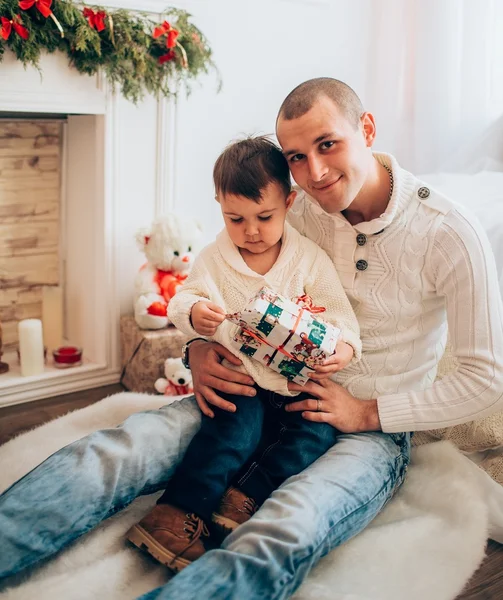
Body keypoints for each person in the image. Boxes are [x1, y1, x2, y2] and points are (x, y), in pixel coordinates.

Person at [1, 78, 502, 600]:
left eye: (327, 144)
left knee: (285, 528)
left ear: (367, 129)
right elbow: (217, 283)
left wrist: (368, 413)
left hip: (362, 431)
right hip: (255, 389)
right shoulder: (291, 206)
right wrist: (198, 350)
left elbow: (486, 378)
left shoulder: (449, 234)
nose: (316, 173)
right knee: (119, 451)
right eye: (297, 158)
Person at [126, 136, 362, 572]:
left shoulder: (308, 259)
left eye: (264, 217)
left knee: (317, 435)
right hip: (242, 378)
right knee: (231, 435)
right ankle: (176, 511)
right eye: (235, 218)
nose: (251, 231)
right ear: (218, 205)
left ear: (289, 203)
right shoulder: (216, 259)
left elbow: (342, 319)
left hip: (295, 382)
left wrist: (342, 350)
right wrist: (195, 313)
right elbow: (182, 298)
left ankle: (241, 498)